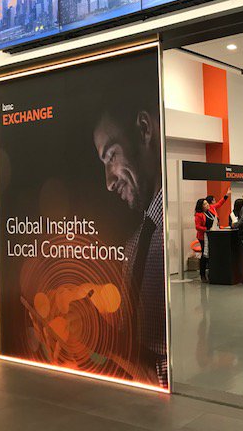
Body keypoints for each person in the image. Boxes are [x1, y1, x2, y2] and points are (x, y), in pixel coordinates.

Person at [93, 99, 167, 387]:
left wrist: (156, 377)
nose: (108, 182)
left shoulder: (168, 238)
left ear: (145, 128)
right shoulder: (134, 245)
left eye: (111, 156)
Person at [194, 199, 214, 283]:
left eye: (207, 203)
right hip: (203, 237)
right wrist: (206, 229)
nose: (207, 205)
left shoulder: (209, 212)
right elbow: (197, 227)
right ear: (201, 206)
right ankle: (202, 274)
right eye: (205, 204)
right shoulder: (198, 215)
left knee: (210, 254)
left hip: (211, 235)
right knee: (204, 255)